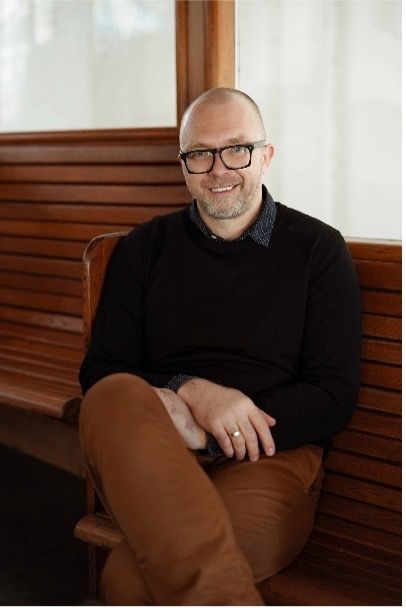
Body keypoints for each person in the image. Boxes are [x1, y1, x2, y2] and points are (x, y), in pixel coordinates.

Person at [79, 87, 361, 605]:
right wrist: (192, 391)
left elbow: (334, 394)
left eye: (237, 149)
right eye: (200, 154)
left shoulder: (318, 250)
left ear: (265, 155)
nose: (219, 168)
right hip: (154, 446)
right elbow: (102, 371)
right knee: (112, 394)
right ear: (184, 165)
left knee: (126, 582)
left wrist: (217, 426)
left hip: (268, 455)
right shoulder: (144, 248)